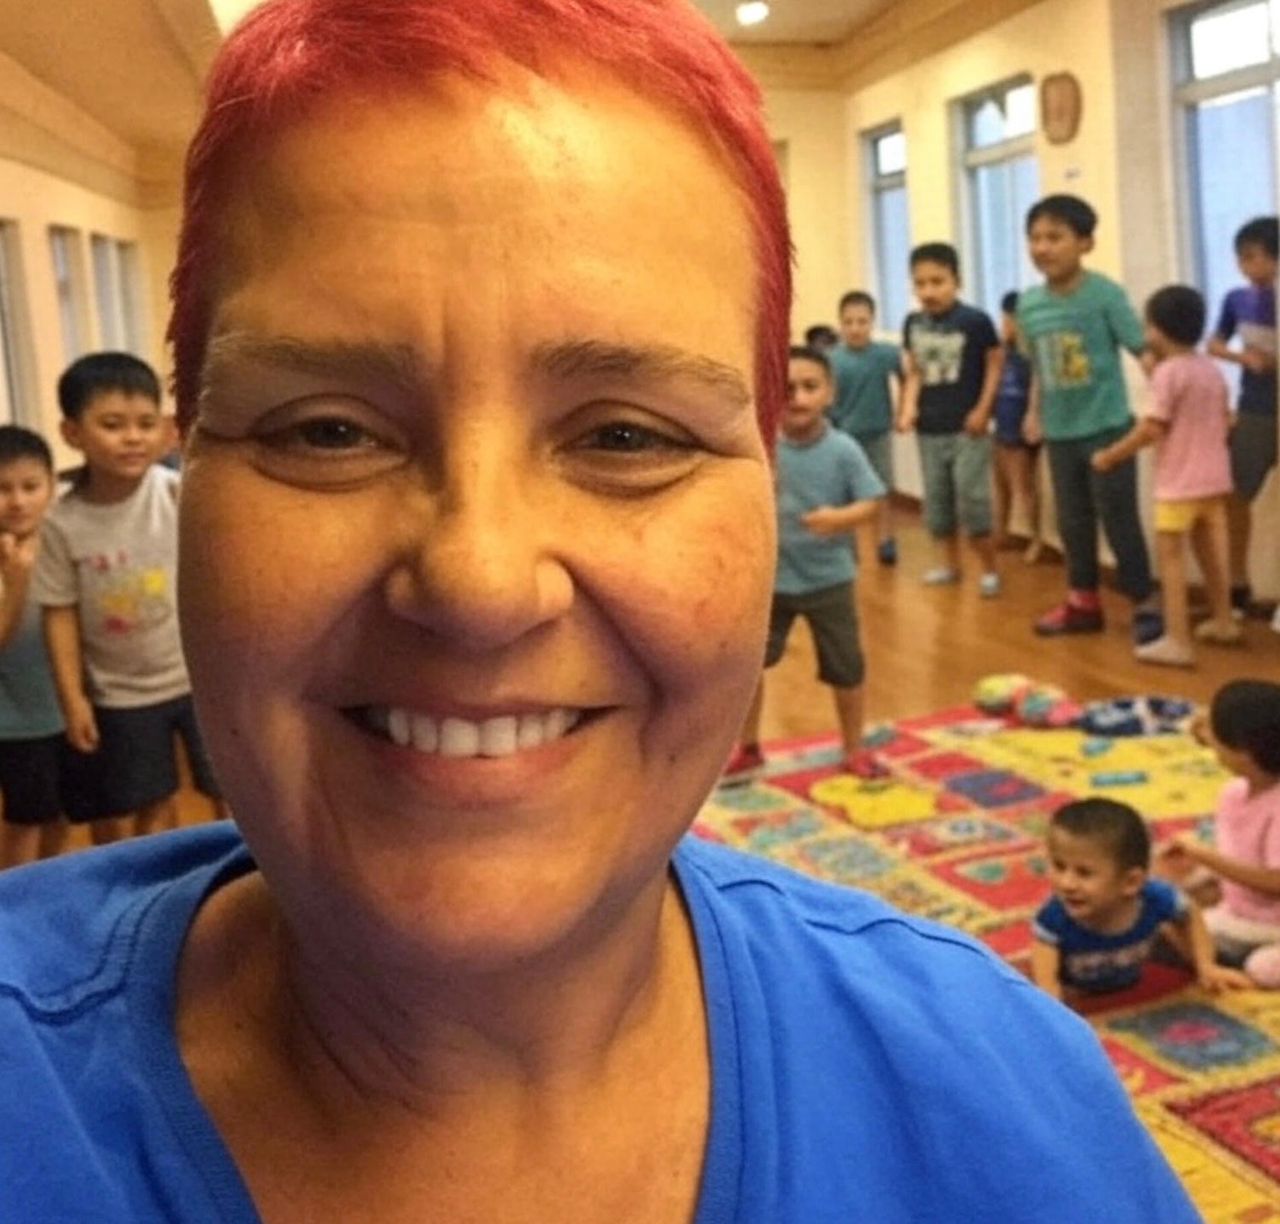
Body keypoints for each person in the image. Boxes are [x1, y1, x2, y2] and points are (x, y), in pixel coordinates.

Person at [0, 2, 1200, 1219]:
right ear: (182, 476)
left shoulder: (1012, 1119)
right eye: (326, 431)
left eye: (627, 435)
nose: (477, 582)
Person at [32, 352, 223, 844]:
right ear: (72, 433)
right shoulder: (62, 523)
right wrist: (72, 699)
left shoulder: (180, 494)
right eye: (113, 424)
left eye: (145, 423)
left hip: (199, 676)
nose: (133, 437)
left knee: (230, 786)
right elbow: (59, 614)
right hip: (122, 695)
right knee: (147, 800)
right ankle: (164, 880)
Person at [727, 345, 886, 783]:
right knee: (749, 666)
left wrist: (841, 519)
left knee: (846, 666)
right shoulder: (758, 447)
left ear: (829, 394)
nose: (797, 396)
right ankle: (748, 747)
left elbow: (872, 501)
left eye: (810, 386)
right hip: (771, 581)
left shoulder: (844, 450)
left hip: (829, 581)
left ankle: (854, 746)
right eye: (786, 387)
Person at [1018, 195, 1162, 642]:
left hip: (1107, 430)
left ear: (1085, 243)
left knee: (1119, 520)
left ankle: (1146, 605)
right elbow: (1040, 366)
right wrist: (1033, 413)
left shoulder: (1105, 294)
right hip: (1060, 434)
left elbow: (1146, 353)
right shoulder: (1029, 305)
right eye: (1036, 237)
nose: (1043, 247)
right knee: (1072, 523)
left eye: (1055, 237)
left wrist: (1169, 408)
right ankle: (1083, 604)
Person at [1092, 285, 1236, 667]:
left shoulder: (1168, 374)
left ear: (1155, 330)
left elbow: (1152, 428)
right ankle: (1223, 620)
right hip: (1215, 481)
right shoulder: (1210, 369)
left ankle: (1177, 640)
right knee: (1210, 555)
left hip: (1178, 486)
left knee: (1170, 560)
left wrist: (1111, 455)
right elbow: (1227, 419)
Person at [1032, 797, 1250, 1001]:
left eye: (1084, 873)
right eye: (1059, 867)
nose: (1067, 883)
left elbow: (1189, 913)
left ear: (1131, 882)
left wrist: (1206, 965)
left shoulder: (1154, 897)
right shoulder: (1055, 918)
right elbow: (1048, 992)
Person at [899, 242, 1002, 596]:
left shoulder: (975, 321)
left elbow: (994, 366)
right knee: (938, 501)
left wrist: (983, 410)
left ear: (956, 281)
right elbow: (914, 371)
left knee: (973, 499)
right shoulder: (912, 322)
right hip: (929, 428)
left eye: (937, 281)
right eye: (920, 283)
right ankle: (949, 565)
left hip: (967, 428)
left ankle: (989, 569)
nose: (928, 291)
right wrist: (908, 408)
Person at [1161, 680, 1280, 988]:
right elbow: (1235, 857)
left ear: (1244, 752)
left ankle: (1217, 961)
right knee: (1160, 906)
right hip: (1239, 914)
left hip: (1269, 924)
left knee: (1262, 969)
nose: (1208, 740)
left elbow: (1274, 881)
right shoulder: (1233, 794)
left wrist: (1204, 856)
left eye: (1214, 735)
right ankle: (1218, 959)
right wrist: (1192, 875)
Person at [0, 427, 71, 867]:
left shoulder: (61, 540)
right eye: (2, 489)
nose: (18, 501)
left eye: (31, 486)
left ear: (51, 485)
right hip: (17, 723)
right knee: (26, 819)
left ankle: (51, 885)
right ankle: (14, 905)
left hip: (67, 710)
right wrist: (18, 582)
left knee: (61, 811)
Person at [1206, 216, 1278, 620]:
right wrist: (1244, 357)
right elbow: (1213, 343)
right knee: (1235, 495)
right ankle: (1237, 584)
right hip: (1255, 409)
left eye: (1254, 257)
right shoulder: (1238, 299)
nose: (1246, 266)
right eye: (1242, 258)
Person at [828, 291, 901, 566]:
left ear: (872, 322)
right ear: (840, 324)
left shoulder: (885, 354)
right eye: (849, 322)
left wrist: (907, 408)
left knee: (881, 489)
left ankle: (886, 540)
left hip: (879, 433)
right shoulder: (832, 360)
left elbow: (911, 370)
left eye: (862, 321)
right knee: (844, 492)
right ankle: (847, 545)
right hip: (844, 436)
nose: (856, 328)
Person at [991, 290, 1043, 563]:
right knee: (1000, 484)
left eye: (1011, 320)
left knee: (1024, 486)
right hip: (1001, 422)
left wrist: (1033, 416)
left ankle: (1036, 538)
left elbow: (1038, 386)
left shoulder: (1030, 353)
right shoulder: (1003, 352)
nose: (1006, 325)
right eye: (1004, 319)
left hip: (1021, 426)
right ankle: (1000, 532)